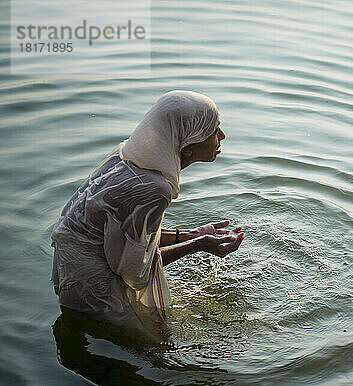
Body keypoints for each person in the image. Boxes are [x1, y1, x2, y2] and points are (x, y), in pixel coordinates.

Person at [50, 90, 244, 325]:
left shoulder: (129, 156)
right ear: (187, 148)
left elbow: (124, 238)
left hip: (73, 276)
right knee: (161, 350)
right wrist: (198, 245)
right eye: (213, 130)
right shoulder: (155, 188)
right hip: (97, 294)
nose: (222, 135)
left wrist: (192, 234)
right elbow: (136, 272)